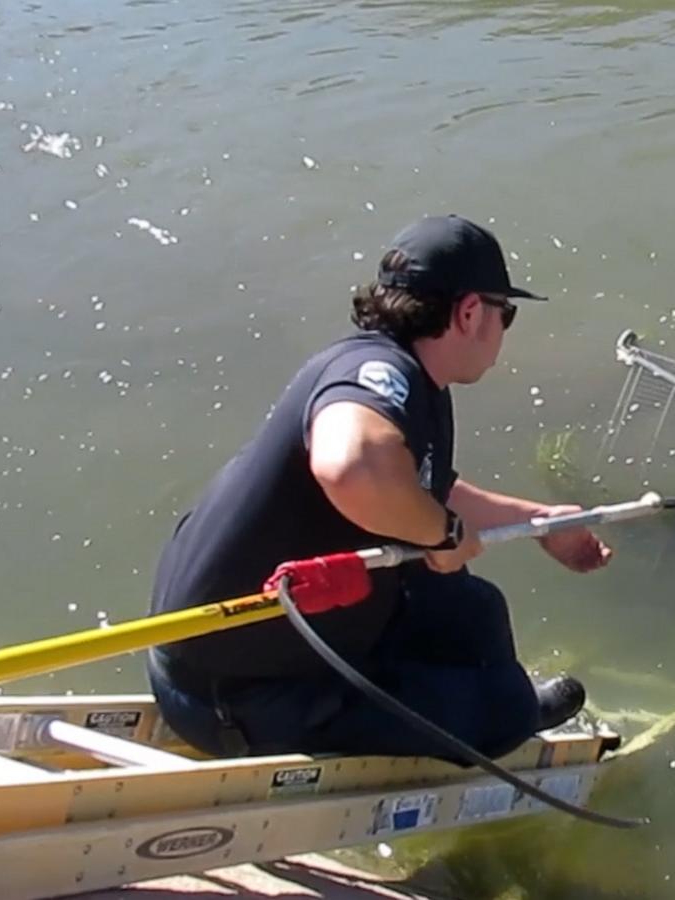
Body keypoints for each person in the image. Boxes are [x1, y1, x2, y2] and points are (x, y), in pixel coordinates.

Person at [146, 214, 610, 761]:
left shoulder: (396, 369)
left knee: (474, 609)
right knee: (494, 707)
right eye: (505, 313)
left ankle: (492, 705)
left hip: (260, 642)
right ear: (468, 313)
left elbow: (424, 487)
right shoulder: (376, 374)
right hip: (240, 696)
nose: (505, 328)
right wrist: (442, 535)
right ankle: (496, 717)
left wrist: (538, 522)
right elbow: (353, 466)